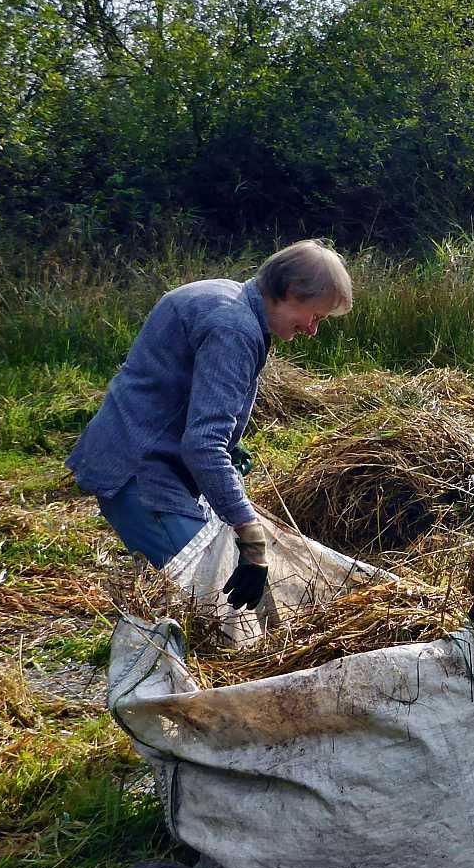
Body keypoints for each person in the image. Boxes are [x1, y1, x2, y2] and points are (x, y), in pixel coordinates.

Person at [67, 240, 354, 608]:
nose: (313, 330)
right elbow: (202, 445)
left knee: (210, 591)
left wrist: (229, 443)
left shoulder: (221, 296)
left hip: (142, 458)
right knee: (213, 601)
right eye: (315, 316)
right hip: (141, 477)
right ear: (290, 292)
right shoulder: (233, 329)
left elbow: (181, 394)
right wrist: (251, 536)